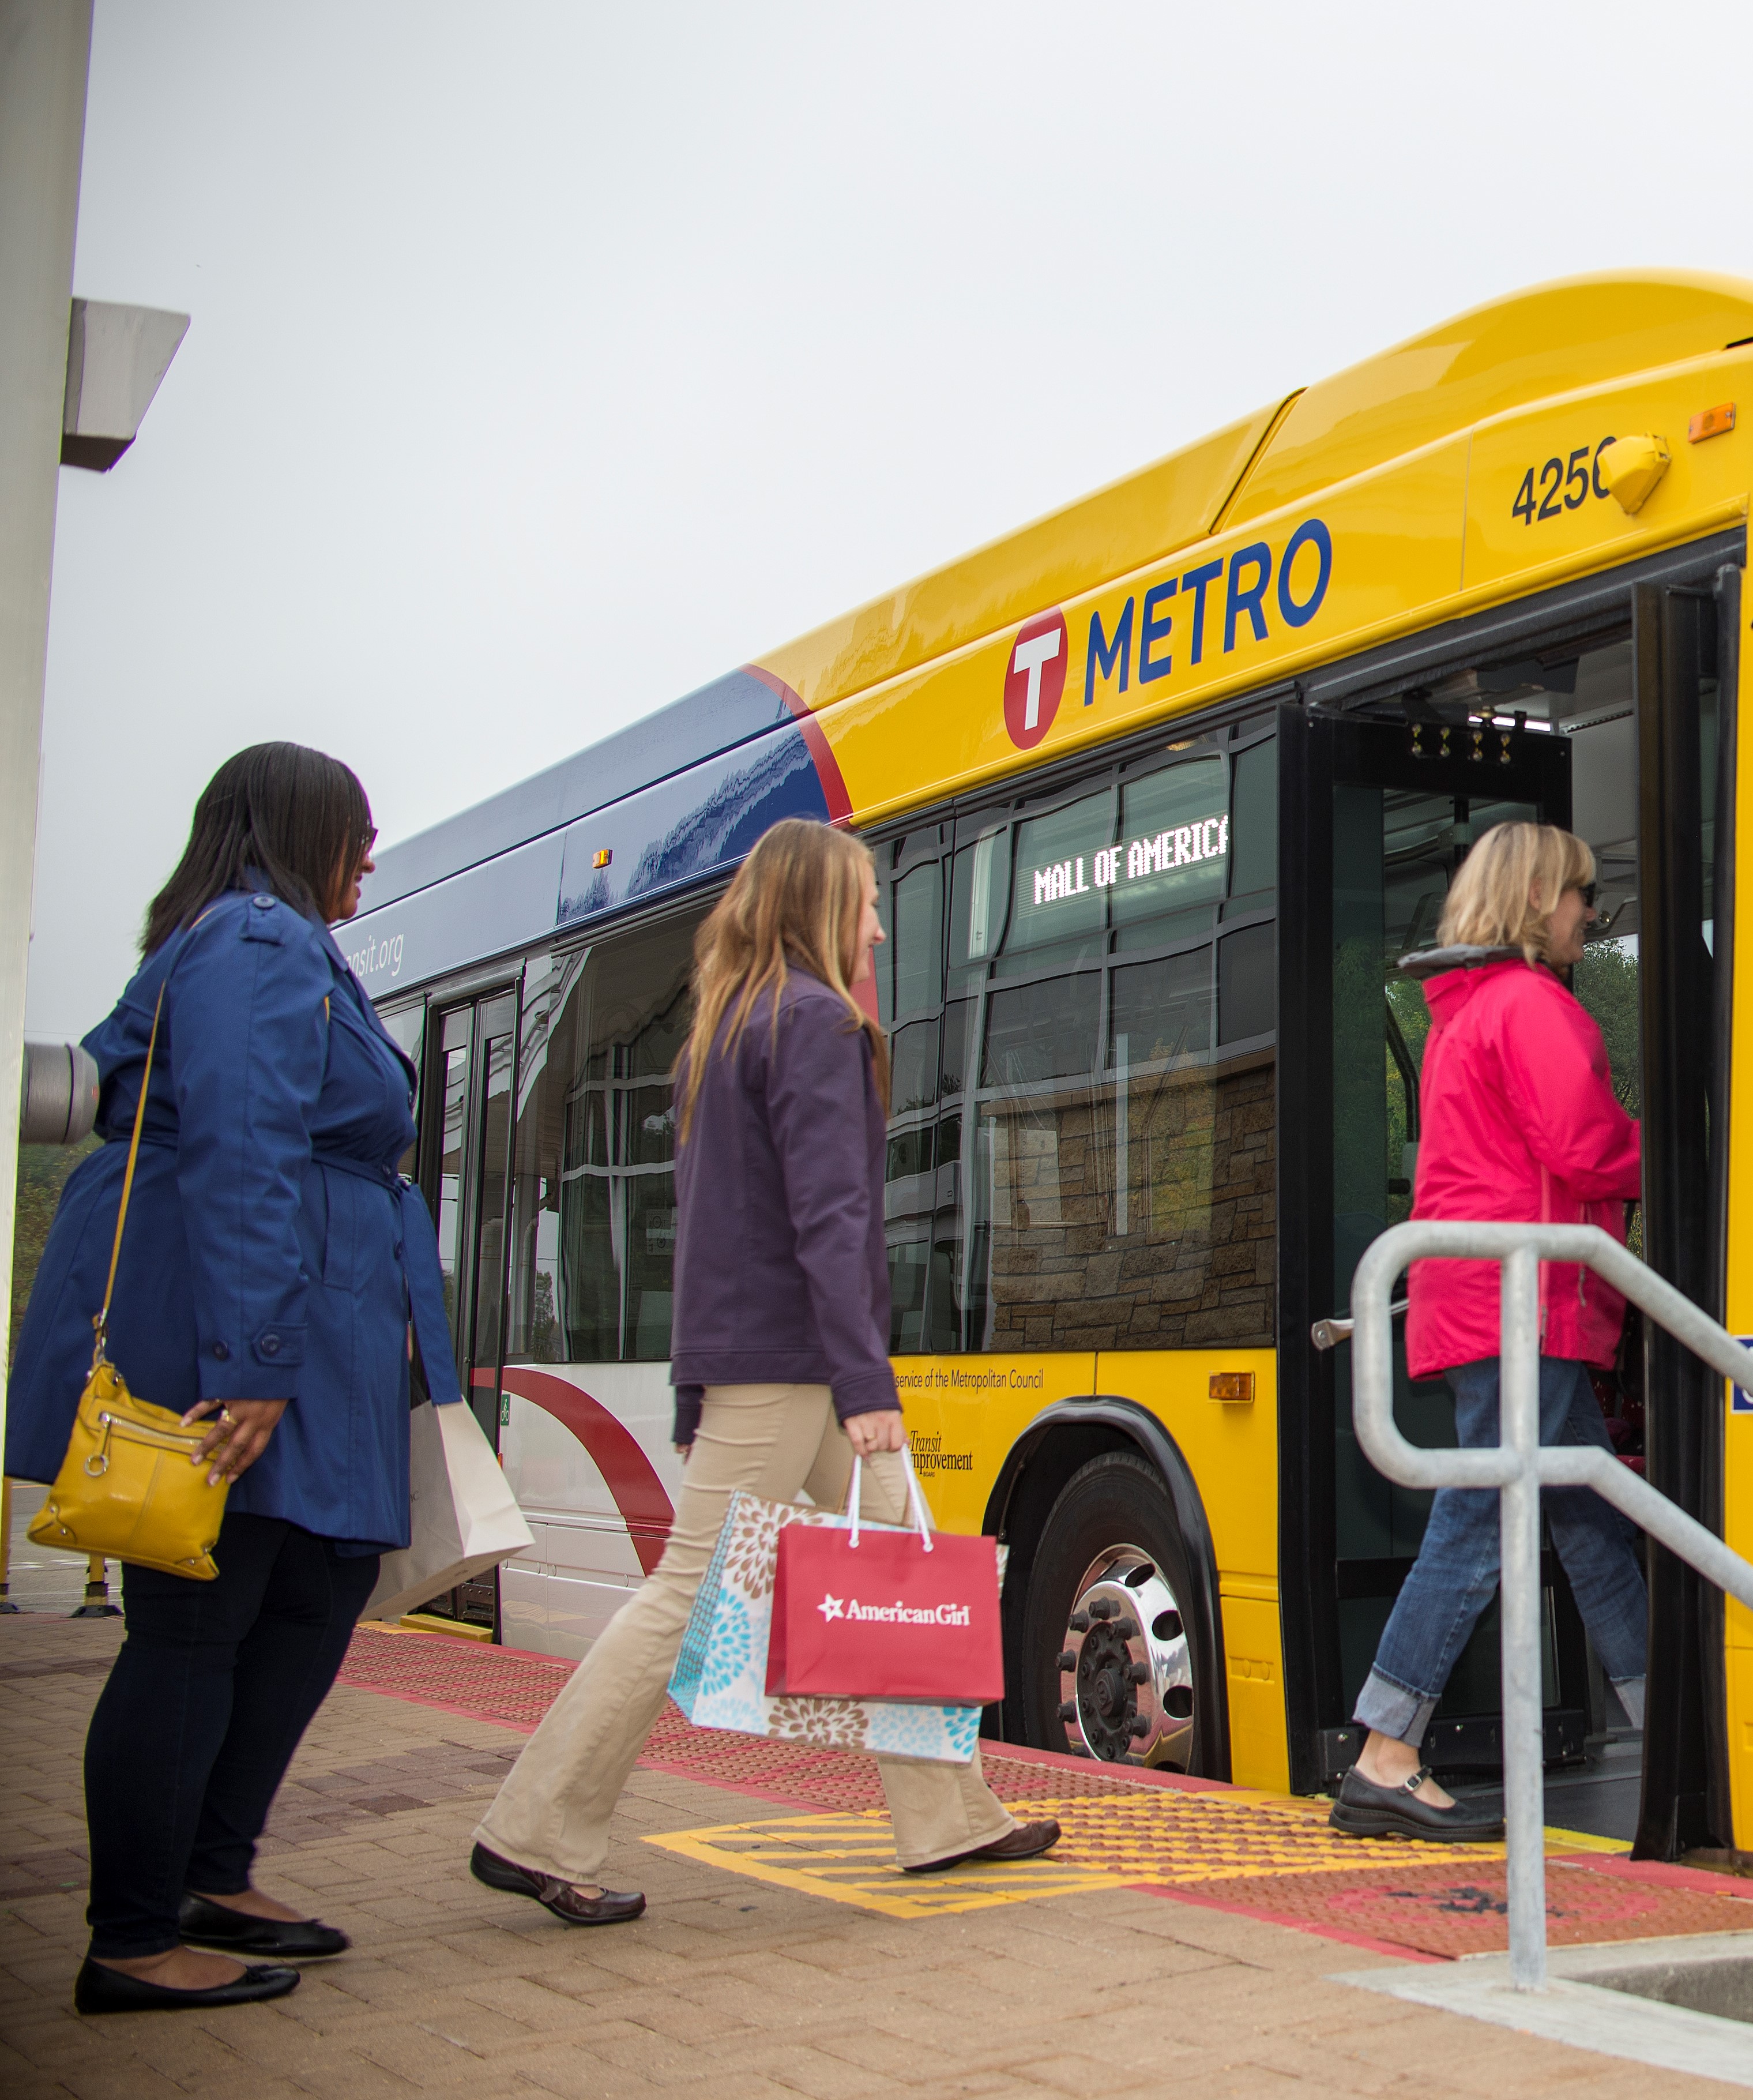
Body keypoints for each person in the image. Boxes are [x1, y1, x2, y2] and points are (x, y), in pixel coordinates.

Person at [470, 819, 1052, 1921]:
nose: (879, 923)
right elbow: (830, 1220)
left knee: (898, 1575)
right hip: (803, 1368)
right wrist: (867, 1386)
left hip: (771, 1359)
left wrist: (700, 1382)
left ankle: (949, 1817)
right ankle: (535, 1826)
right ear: (821, 907)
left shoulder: (724, 1032)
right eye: (866, 902)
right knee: (685, 1596)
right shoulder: (818, 1023)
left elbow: (706, 1229)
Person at [9, 744, 458, 2015]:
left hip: (302, 1326)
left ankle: (211, 1866)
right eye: (359, 832)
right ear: (306, 826)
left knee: (315, 1586)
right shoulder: (260, 940)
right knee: (202, 1618)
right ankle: (136, 1932)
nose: (369, 855)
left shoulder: (265, 941)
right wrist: (254, 1361)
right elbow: (246, 1142)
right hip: (256, 1338)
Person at [1331, 823, 1652, 1843]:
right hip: (1525, 1304)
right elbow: (1587, 1143)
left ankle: (1668, 1717)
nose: (1587, 915)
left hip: (1488, 1301)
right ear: (1532, 901)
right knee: (1480, 1520)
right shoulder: (1530, 1007)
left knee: (1588, 1515)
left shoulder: (1465, 1014)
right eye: (1577, 895)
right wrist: (1687, 1148)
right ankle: (1386, 1746)